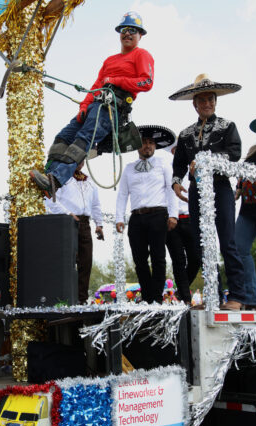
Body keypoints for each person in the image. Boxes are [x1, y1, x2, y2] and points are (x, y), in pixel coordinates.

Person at [31, 11, 154, 198]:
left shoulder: (141, 55)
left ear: (140, 35)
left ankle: (55, 181)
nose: (127, 34)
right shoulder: (110, 61)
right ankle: (49, 174)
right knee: (64, 136)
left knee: (83, 138)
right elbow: (96, 86)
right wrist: (83, 107)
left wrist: (117, 80)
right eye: (124, 30)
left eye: (132, 30)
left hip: (112, 108)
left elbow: (147, 82)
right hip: (95, 104)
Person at [170, 74, 245, 311]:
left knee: (227, 241)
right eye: (201, 100)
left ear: (215, 101)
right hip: (196, 190)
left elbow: (234, 154)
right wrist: (175, 181)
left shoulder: (227, 126)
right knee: (202, 244)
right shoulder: (185, 133)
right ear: (195, 104)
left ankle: (237, 295)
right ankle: (213, 295)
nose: (207, 103)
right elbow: (179, 163)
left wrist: (206, 160)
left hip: (220, 187)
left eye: (210, 99)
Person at [116, 125, 178, 303]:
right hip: (136, 217)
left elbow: (170, 189)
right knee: (139, 259)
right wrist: (119, 218)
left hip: (158, 214)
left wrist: (173, 215)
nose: (148, 146)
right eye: (144, 142)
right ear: (138, 146)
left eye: (151, 143)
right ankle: (147, 296)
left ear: (155, 146)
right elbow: (122, 194)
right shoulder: (129, 168)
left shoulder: (163, 164)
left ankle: (156, 298)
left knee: (158, 257)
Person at [45, 161, 104, 304]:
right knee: (66, 262)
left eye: (83, 159)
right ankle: (63, 299)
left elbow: (96, 204)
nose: (80, 162)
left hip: (84, 223)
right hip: (66, 222)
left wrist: (99, 224)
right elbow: (49, 200)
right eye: (77, 158)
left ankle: (81, 299)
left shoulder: (89, 181)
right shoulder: (61, 178)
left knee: (86, 262)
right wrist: (68, 213)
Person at [234, 115, 256, 311]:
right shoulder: (254, 151)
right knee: (238, 247)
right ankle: (252, 298)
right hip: (248, 207)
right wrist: (237, 189)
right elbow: (243, 176)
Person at [166, 145, 201, 303]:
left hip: (190, 217)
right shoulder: (166, 167)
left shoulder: (195, 168)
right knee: (178, 260)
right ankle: (186, 298)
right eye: (175, 150)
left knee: (196, 258)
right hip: (171, 219)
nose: (178, 153)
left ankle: (181, 291)